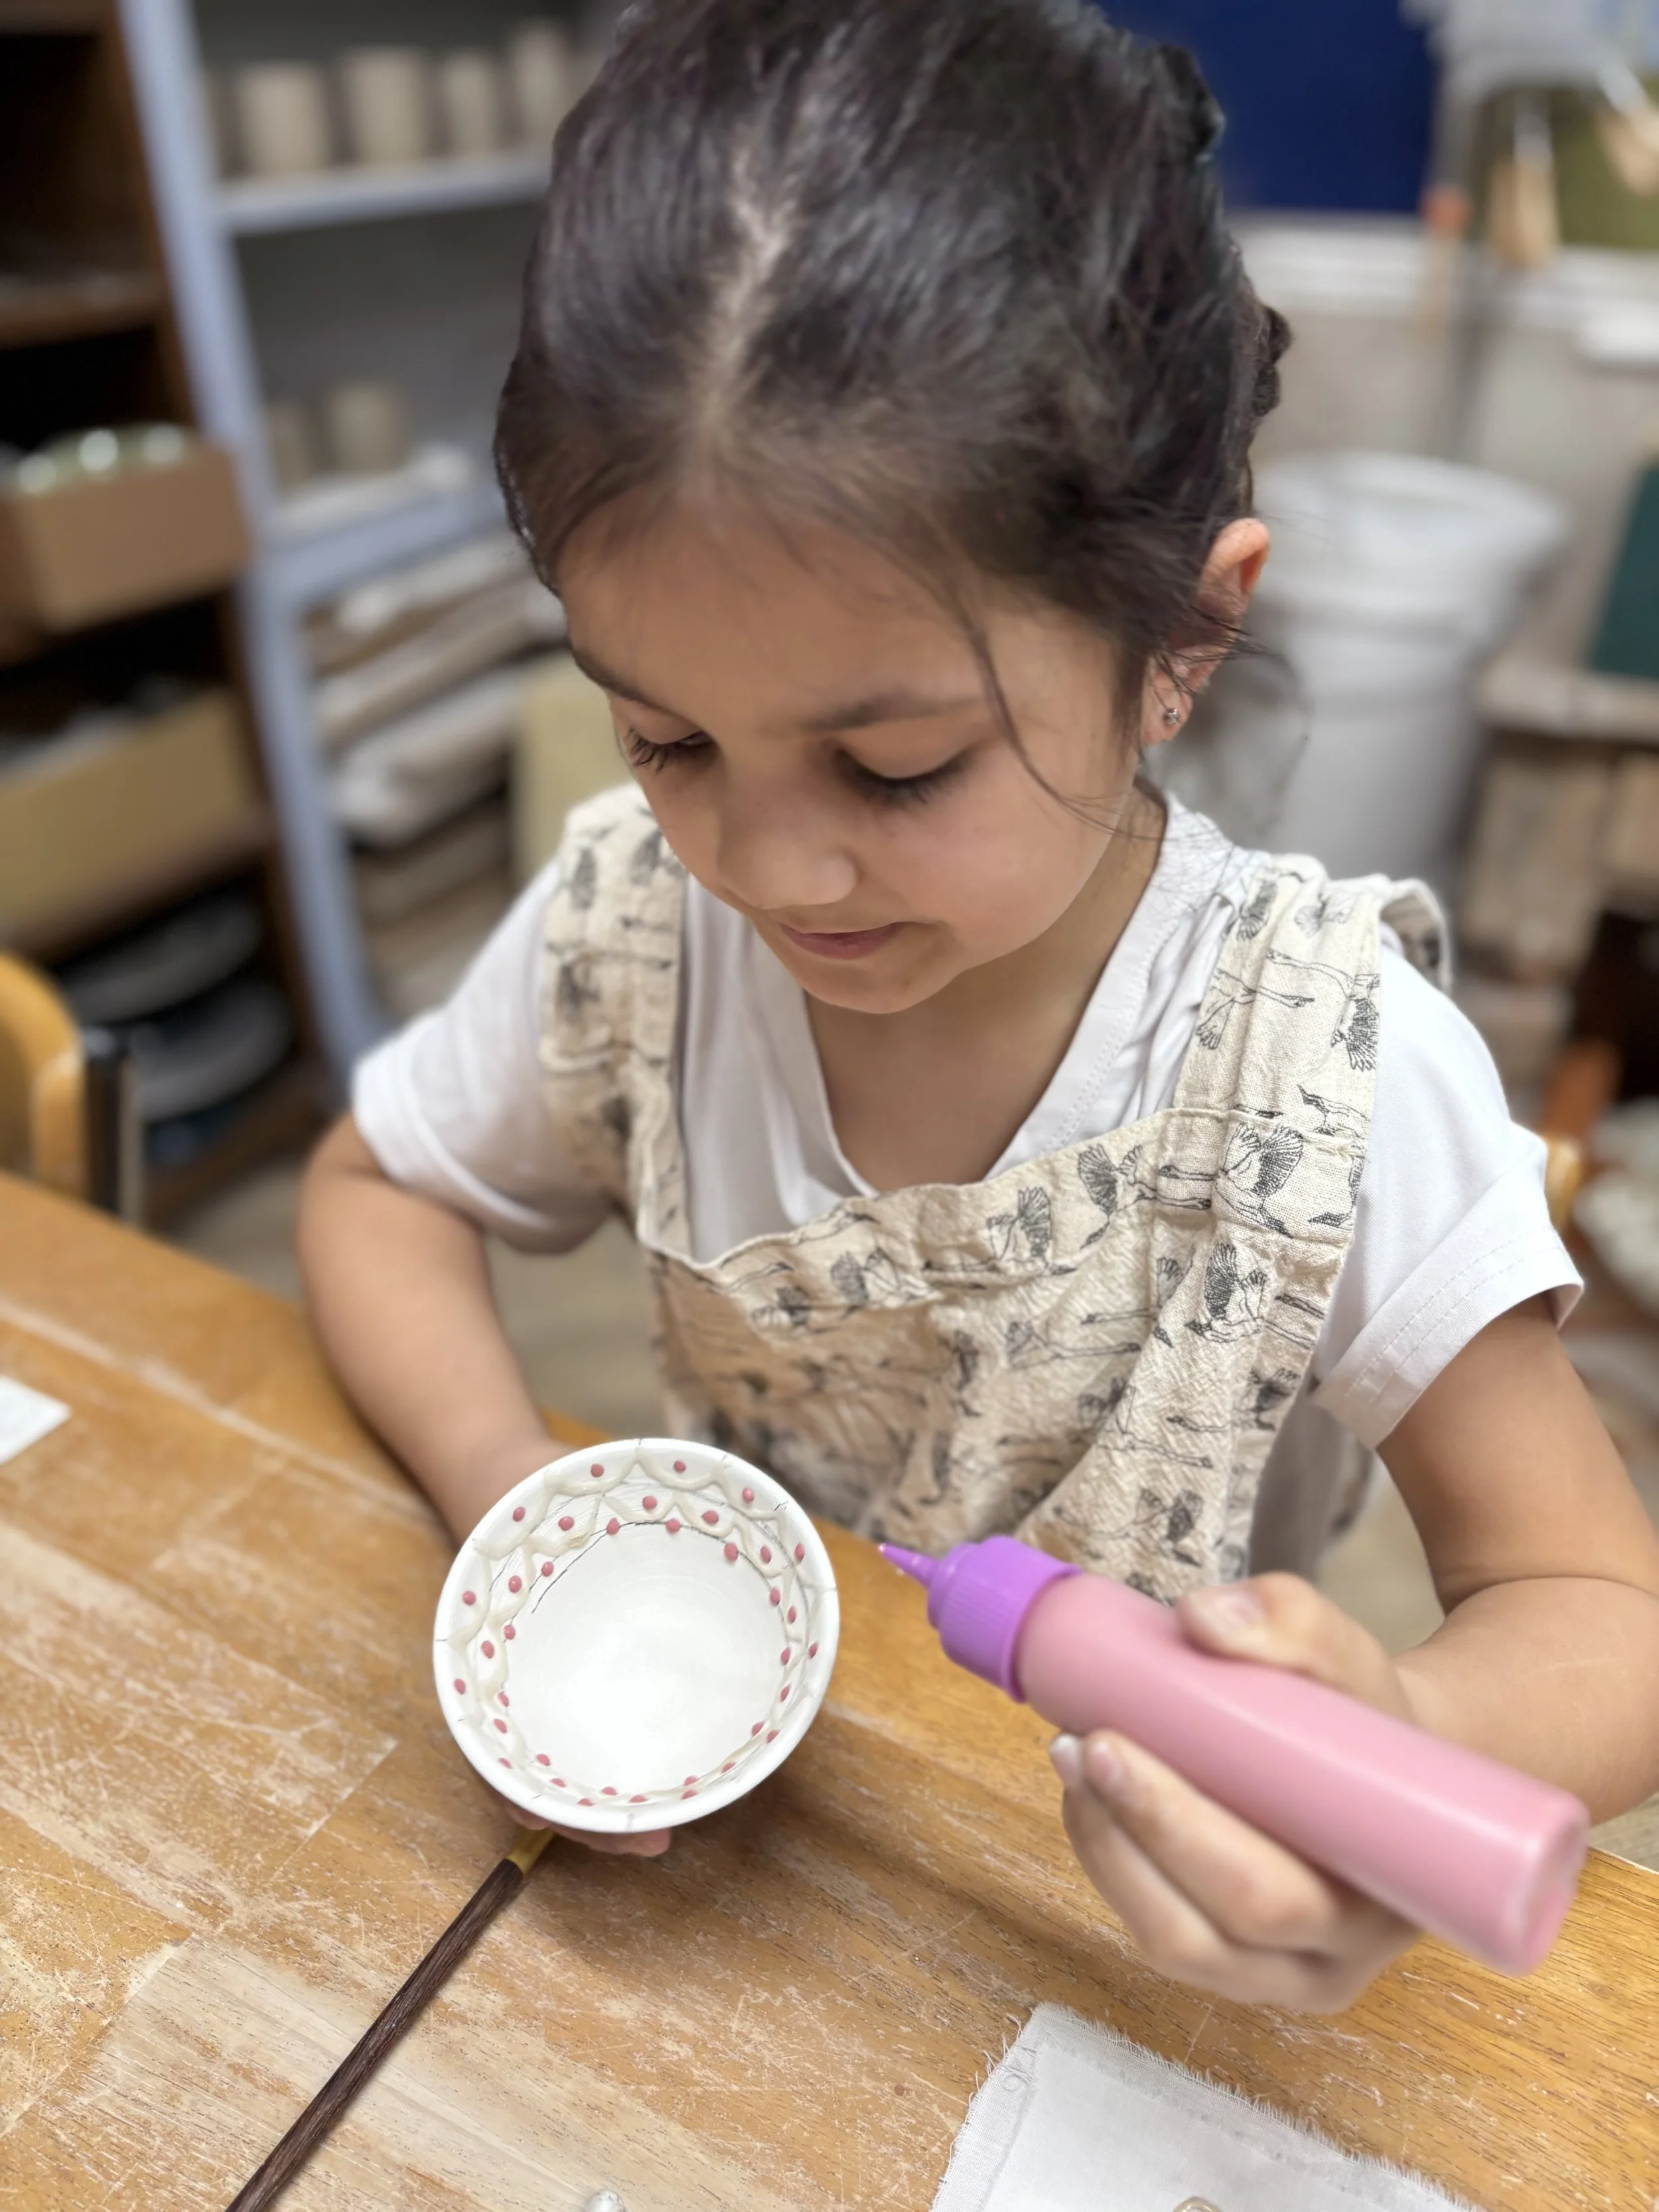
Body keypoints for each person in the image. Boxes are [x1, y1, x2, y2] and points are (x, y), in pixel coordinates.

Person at [299, 0, 1659, 2013]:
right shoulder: (630, 929)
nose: (764, 870)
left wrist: (1402, 1731)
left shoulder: (1320, 1062)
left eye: (896, 767)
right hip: (768, 1867)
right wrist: (510, 1479)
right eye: (664, 732)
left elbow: (1596, 1610)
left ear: (1183, 632)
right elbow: (376, 1182)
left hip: (1117, 1937)